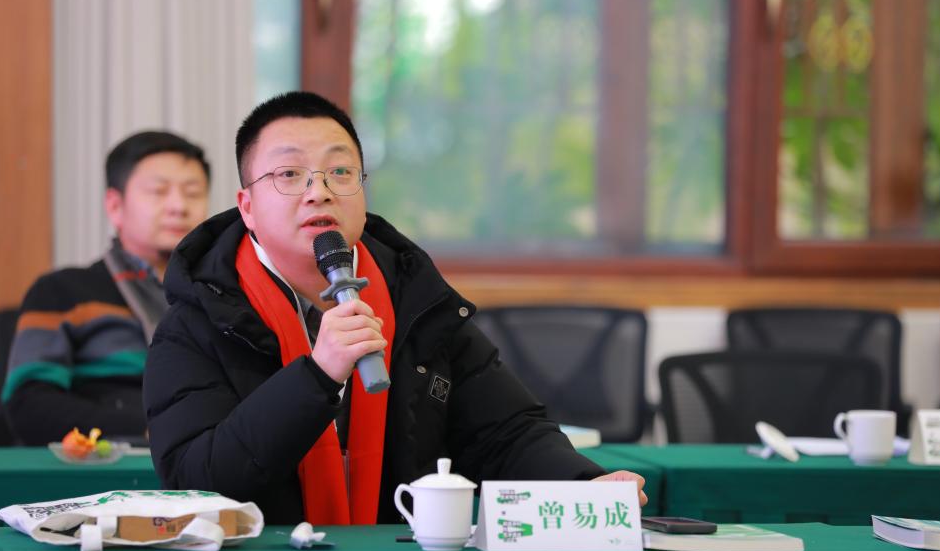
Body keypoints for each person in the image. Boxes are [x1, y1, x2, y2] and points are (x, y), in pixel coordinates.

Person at [144, 91, 645, 525]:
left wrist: (583, 484)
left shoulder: (417, 301)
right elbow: (196, 482)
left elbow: (505, 433)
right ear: (247, 206)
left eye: (340, 172)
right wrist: (317, 377)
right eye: (290, 174)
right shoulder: (196, 322)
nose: (319, 192)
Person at [3, 131, 211, 445]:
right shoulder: (63, 292)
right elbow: (29, 406)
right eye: (159, 191)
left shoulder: (224, 297)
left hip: (214, 462)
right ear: (115, 206)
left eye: (193, 193)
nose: (178, 206)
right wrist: (154, 428)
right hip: (109, 463)